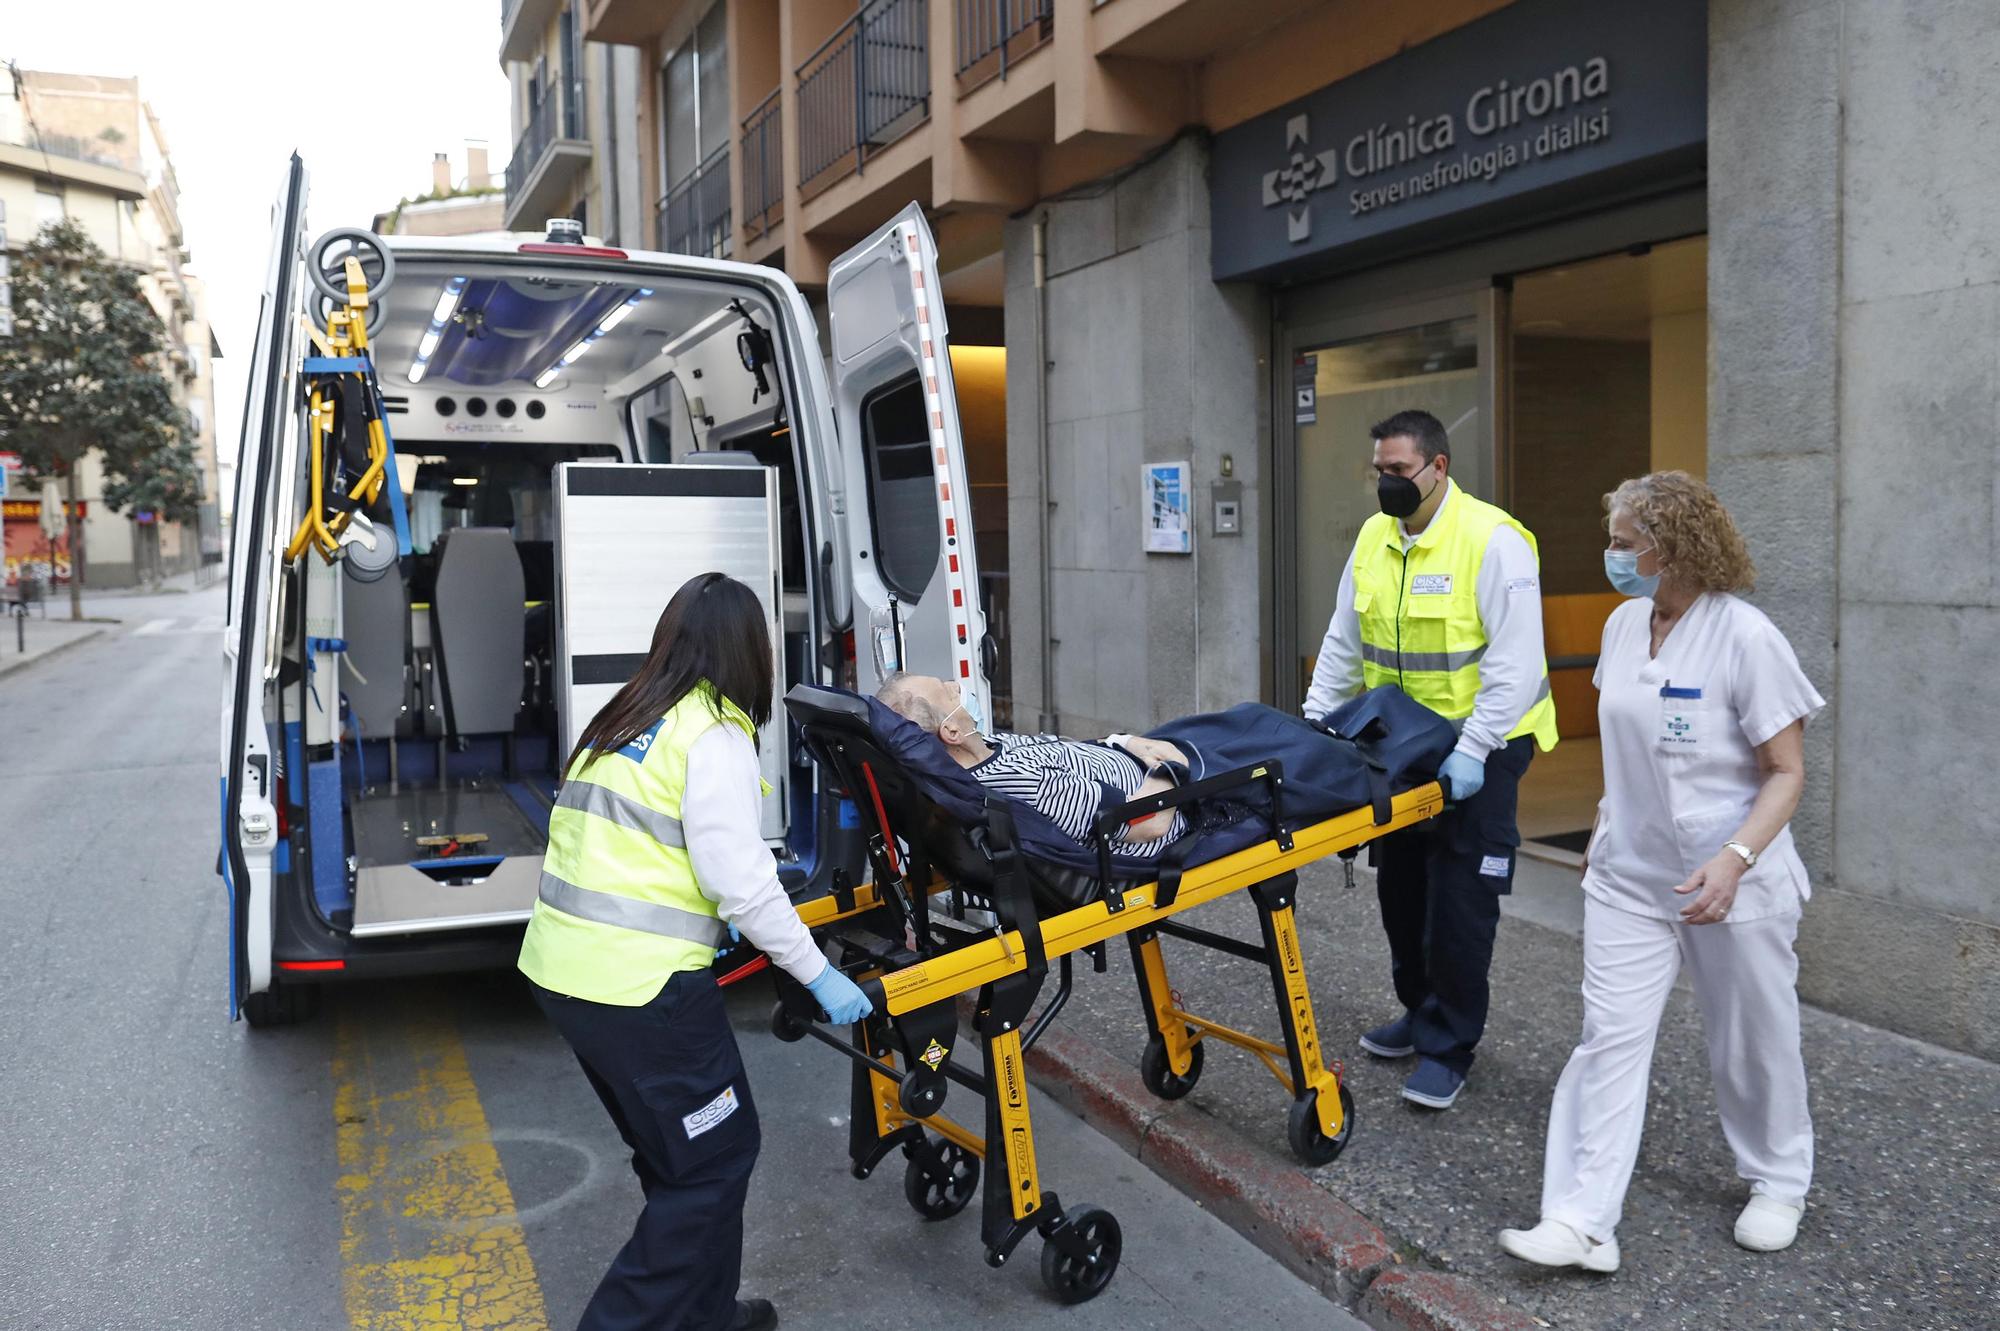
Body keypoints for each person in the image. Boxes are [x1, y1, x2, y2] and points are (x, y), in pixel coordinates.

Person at [518, 572, 873, 1331]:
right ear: (749, 652)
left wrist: (725, 897)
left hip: (567, 976)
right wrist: (817, 971)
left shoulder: (625, 716)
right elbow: (741, 884)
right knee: (712, 1162)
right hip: (641, 990)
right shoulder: (711, 734)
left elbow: (642, 851)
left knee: (681, 1158)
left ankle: (706, 1313)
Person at [1498, 472, 1823, 1272]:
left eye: (1622, 541)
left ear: (1671, 546)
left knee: (1751, 1038)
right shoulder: (1620, 626)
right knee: (1607, 1037)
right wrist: (1608, 825)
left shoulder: (1746, 636)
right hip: (1631, 877)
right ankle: (1580, 1220)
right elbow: (1629, 742)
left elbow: (1787, 770)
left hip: (1732, 878)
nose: (1609, 554)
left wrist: (1735, 857)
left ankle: (1778, 1180)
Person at [1303, 409, 1559, 1110]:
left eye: (1398, 472)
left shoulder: (1493, 541)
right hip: (1405, 742)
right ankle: (1418, 1009)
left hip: (1487, 742)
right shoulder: (1375, 536)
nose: (1385, 484)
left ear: (1437, 467)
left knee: (1460, 899)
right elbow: (1343, 641)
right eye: (1378, 471)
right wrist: (1313, 728)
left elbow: (1514, 662)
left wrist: (1475, 748)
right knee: (1402, 886)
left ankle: (1450, 1044)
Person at [875, 671, 1188, 853]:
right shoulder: (1026, 785)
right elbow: (1149, 823)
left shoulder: (989, 749)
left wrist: (1125, 741)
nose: (957, 685)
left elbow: (1063, 748)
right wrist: (1171, 765)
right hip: (1178, 799)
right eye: (948, 691)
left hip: (1137, 755)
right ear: (952, 731)